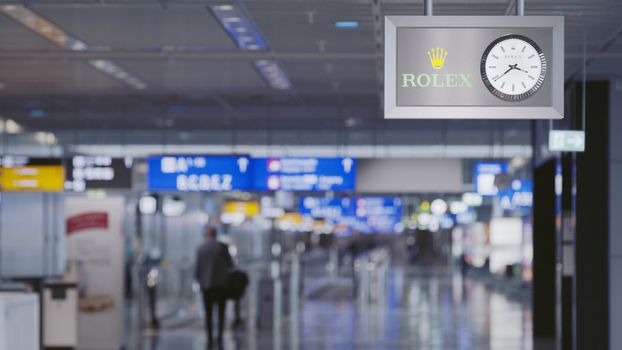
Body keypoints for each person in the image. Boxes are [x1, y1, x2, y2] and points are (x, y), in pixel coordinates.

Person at [195, 227, 233, 349]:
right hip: (221, 285)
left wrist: (200, 282)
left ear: (207, 235)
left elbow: (197, 269)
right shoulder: (222, 247)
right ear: (216, 235)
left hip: (207, 286)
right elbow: (230, 264)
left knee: (208, 313)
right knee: (221, 313)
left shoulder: (201, 248)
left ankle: (210, 337)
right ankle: (220, 337)